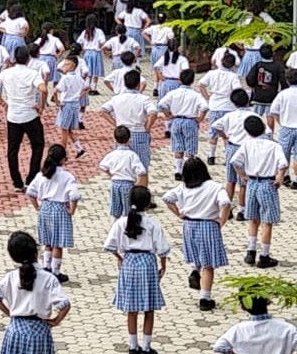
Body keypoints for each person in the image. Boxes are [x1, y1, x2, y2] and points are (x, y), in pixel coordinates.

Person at [103, 185, 169, 354]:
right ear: (147, 204)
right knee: (149, 307)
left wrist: (120, 258)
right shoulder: (152, 223)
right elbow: (162, 249)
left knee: (131, 309)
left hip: (129, 262)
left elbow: (109, 246)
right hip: (147, 263)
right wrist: (163, 265)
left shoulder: (121, 222)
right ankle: (146, 347)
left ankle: (133, 346)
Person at [162, 157, 231, 311]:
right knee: (208, 264)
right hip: (208, 225)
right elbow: (225, 203)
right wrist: (222, 219)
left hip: (189, 225)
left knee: (195, 253)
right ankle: (205, 298)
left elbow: (166, 198)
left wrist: (178, 213)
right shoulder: (214, 187)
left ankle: (194, 270)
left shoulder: (183, 187)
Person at [0, 231, 70, 354]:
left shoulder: (11, 277)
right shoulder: (49, 278)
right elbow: (65, 305)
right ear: (36, 252)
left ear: (14, 257)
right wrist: (56, 321)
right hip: (39, 332)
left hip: (15, 331)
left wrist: (10, 313)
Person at [231, 116, 288, 268]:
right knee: (267, 221)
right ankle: (264, 256)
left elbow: (234, 161)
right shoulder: (274, 145)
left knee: (253, 219)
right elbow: (283, 164)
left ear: (247, 132)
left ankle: (250, 251)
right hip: (267, 183)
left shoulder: (247, 144)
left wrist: (242, 175)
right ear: (264, 126)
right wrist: (280, 177)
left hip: (252, 183)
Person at [0, 46, 47, 191]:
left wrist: (2, 103)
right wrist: (41, 105)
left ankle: (17, 182)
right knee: (38, 145)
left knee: (12, 150)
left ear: (15, 58)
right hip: (30, 115)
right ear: (28, 59)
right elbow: (43, 89)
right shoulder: (33, 73)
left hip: (13, 115)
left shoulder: (6, 73)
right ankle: (31, 178)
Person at [26, 145, 80, 283]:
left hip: (45, 208)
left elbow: (30, 192)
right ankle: (55, 272)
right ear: (63, 160)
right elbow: (74, 195)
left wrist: (37, 207)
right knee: (57, 243)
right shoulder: (67, 176)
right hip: (59, 209)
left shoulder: (41, 175)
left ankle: (46, 267)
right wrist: (72, 210)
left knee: (48, 242)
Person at [211, 89, 263, 222]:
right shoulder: (254, 115)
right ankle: (241, 210)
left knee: (230, 180)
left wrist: (224, 136)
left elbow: (215, 126)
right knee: (243, 181)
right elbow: (266, 131)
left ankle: (227, 209)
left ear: (233, 103)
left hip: (232, 147)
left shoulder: (230, 115)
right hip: (247, 149)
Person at [100, 71, 157, 187]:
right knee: (142, 167)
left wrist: (115, 124)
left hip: (122, 133)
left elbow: (103, 110)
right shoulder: (144, 99)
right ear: (138, 85)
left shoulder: (117, 98)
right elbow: (153, 112)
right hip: (139, 133)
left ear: (124, 83)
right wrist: (147, 126)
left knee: (121, 164)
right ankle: (141, 193)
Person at [157, 69, 208, 179]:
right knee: (190, 148)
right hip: (190, 121)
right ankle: (188, 171)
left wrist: (168, 114)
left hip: (176, 121)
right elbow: (205, 107)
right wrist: (200, 118)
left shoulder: (173, 93)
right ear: (192, 81)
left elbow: (161, 104)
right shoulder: (196, 95)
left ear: (179, 79)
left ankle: (178, 171)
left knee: (178, 147)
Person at [212, 293, 297, 354]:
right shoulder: (288, 329)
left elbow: (219, 347)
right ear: (268, 301)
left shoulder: (237, 330)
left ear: (243, 307)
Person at [199, 53, 242, 166]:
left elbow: (201, 84)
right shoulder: (233, 76)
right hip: (229, 107)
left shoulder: (212, 73)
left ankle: (211, 156)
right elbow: (237, 90)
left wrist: (207, 97)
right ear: (233, 65)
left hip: (214, 106)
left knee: (213, 131)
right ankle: (227, 158)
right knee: (227, 134)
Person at [99, 126, 147, 218]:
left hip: (114, 183)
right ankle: (127, 224)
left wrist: (110, 174)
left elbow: (102, 166)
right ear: (129, 140)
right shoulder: (132, 155)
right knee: (128, 211)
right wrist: (137, 184)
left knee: (115, 211)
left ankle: (116, 224)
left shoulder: (112, 154)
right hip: (128, 184)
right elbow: (141, 171)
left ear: (114, 140)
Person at [53, 57, 89, 159]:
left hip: (67, 105)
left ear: (72, 66)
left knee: (64, 130)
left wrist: (56, 101)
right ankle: (80, 149)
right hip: (75, 105)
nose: (64, 66)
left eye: (66, 64)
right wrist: (79, 96)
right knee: (68, 129)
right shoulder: (79, 78)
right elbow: (87, 87)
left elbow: (55, 90)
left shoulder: (65, 78)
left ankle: (62, 154)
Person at [152, 39, 189, 133]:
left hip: (165, 83)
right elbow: (185, 70)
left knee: (165, 106)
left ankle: (167, 127)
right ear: (178, 47)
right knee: (176, 105)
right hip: (176, 83)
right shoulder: (182, 59)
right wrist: (181, 79)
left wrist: (160, 76)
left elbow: (155, 67)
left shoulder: (164, 57)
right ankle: (173, 126)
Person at [268, 68, 297, 185]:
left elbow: (274, 111)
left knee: (284, 153)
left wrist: (280, 121)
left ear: (287, 80)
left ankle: (284, 176)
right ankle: (296, 180)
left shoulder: (283, 94)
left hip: (286, 127)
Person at [237, 0, 276, 79]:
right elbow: (275, 28)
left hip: (249, 52)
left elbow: (238, 31)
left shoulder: (245, 17)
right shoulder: (265, 16)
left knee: (245, 77)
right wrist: (267, 37)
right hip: (261, 52)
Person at [246, 44, 286, 117]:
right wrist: (283, 91)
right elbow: (283, 80)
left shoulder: (257, 65)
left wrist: (253, 86)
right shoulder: (277, 66)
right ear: (273, 53)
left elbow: (250, 79)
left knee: (256, 116)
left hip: (258, 95)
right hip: (271, 96)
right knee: (270, 116)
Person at [77, 14, 106, 95]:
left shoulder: (84, 32)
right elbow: (102, 41)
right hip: (96, 53)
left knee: (88, 72)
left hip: (86, 53)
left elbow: (79, 42)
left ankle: (87, 87)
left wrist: (83, 49)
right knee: (95, 72)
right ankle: (94, 89)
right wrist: (100, 48)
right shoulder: (99, 31)